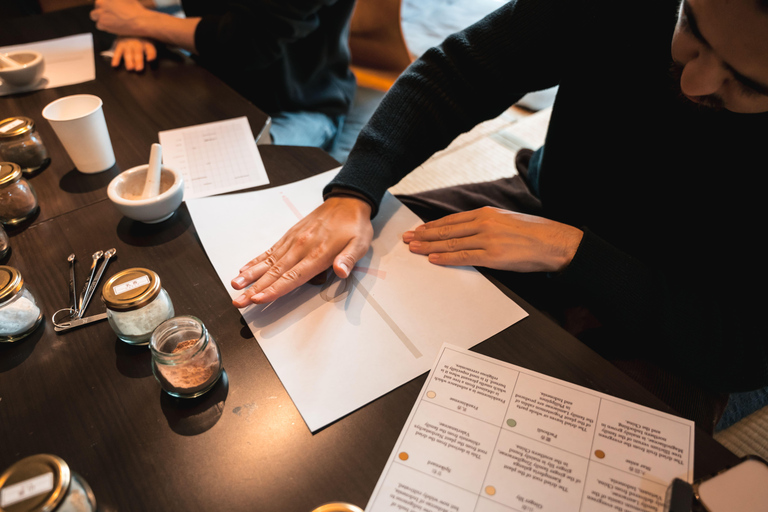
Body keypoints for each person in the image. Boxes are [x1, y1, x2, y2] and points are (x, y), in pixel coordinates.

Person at [229, 0, 768, 432]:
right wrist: (355, 190)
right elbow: (463, 70)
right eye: (691, 28)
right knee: (367, 268)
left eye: (746, 83)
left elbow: (744, 350)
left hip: (696, 311)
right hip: (545, 205)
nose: (694, 81)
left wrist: (572, 252)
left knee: (543, 437)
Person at [90, 0, 357, 151]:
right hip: (216, 84)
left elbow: (249, 41)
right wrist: (135, 23)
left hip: (299, 103)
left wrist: (141, 22)